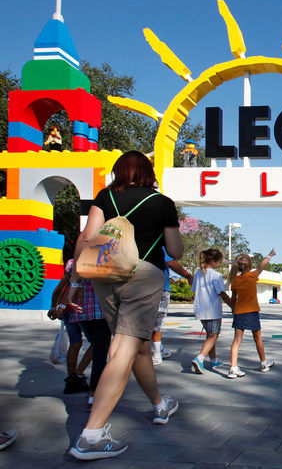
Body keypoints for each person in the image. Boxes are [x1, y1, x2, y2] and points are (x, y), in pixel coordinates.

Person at [68, 151, 183, 460]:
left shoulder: (105, 197)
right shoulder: (162, 203)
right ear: (149, 172)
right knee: (123, 347)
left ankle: (160, 404)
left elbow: (87, 238)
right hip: (144, 275)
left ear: (119, 171)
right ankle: (91, 435)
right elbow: (175, 249)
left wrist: (75, 283)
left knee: (138, 347)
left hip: (105, 275)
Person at [59, 255, 112, 412]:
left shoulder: (73, 262)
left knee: (95, 348)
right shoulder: (106, 258)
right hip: (102, 311)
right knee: (100, 355)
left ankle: (75, 378)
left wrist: (59, 305)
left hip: (82, 313)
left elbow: (64, 286)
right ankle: (94, 395)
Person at [227, 250, 276, 378]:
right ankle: (263, 363)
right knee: (257, 338)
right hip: (252, 312)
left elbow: (233, 300)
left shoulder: (235, 280)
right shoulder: (253, 276)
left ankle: (233, 368)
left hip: (239, 312)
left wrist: (234, 312)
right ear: (249, 265)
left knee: (236, 341)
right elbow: (262, 265)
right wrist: (269, 255)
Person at [48, 253, 92, 395]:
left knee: (75, 343)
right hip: (78, 309)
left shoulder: (71, 264)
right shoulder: (89, 261)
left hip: (66, 311)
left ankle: (71, 378)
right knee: (97, 342)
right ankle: (77, 375)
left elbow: (58, 289)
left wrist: (54, 307)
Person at [190, 248, 233, 374]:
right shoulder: (216, 275)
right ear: (213, 262)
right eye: (219, 262)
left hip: (200, 310)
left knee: (210, 335)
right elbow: (221, 293)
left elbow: (194, 290)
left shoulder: (198, 274)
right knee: (214, 335)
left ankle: (213, 360)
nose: (220, 265)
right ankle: (200, 358)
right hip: (213, 310)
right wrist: (233, 306)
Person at [152, 252, 193, 365]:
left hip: (142, 285)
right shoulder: (159, 243)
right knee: (157, 321)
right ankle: (156, 353)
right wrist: (187, 275)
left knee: (149, 321)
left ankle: (159, 349)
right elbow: (170, 262)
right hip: (159, 287)